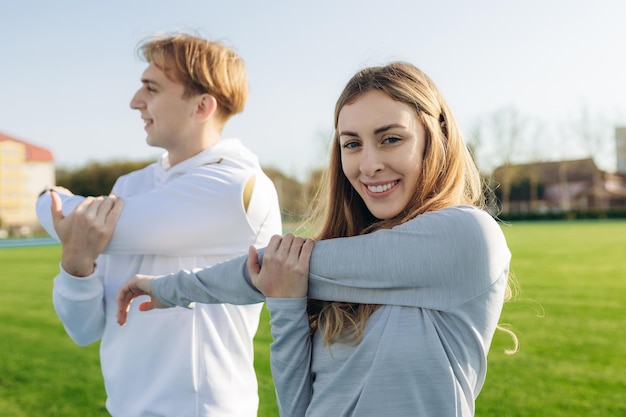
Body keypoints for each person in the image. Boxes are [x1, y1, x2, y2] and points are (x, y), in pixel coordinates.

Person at [116, 62, 516, 417]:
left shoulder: (469, 236)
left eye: (391, 138)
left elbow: (259, 271)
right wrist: (288, 303)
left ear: (436, 136)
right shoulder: (331, 276)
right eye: (352, 144)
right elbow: (299, 409)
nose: (369, 164)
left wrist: (170, 288)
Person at [36, 33, 282, 417]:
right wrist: (76, 265)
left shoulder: (237, 186)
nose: (136, 102)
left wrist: (45, 197)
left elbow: (64, 216)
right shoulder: (130, 187)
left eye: (151, 88)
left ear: (202, 106)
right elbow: (83, 330)